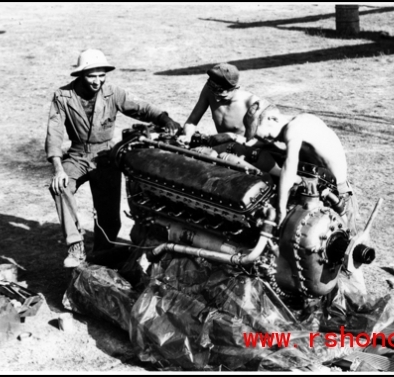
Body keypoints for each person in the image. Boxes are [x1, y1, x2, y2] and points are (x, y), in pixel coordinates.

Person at [45, 49, 181, 268]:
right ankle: (75, 245)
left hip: (106, 155)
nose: (97, 81)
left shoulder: (113, 92)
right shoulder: (63, 96)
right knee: (60, 187)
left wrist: (165, 118)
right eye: (92, 76)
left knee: (109, 215)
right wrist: (58, 168)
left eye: (101, 75)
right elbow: (54, 133)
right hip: (78, 155)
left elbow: (140, 108)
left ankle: (103, 252)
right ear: (81, 74)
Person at [244, 100, 358, 233]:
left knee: (342, 241)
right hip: (321, 189)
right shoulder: (300, 121)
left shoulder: (295, 128)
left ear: (272, 119)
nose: (265, 140)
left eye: (265, 136)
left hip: (337, 196)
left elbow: (289, 168)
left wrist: (280, 209)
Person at [180, 63, 260, 145]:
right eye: (213, 93)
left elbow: (255, 144)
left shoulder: (251, 103)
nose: (217, 99)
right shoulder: (209, 90)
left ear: (235, 88)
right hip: (219, 146)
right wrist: (188, 136)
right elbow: (191, 122)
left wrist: (232, 136)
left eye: (222, 96)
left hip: (240, 149)